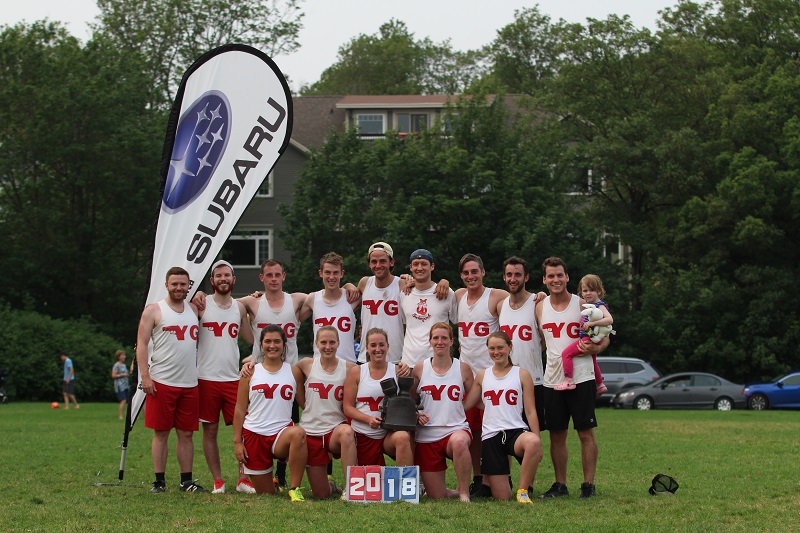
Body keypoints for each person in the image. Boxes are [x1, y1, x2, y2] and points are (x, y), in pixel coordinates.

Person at [536, 257, 609, 500]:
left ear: (567, 277)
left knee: (585, 432)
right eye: (550, 276)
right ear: (544, 280)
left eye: (560, 275)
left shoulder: (583, 303)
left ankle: (588, 484)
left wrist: (598, 348)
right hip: (553, 378)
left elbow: (604, 335)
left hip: (582, 376)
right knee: (556, 433)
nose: (555, 280)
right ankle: (560, 484)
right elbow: (541, 341)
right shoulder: (540, 306)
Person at [135, 266, 206, 493]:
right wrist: (145, 376)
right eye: (174, 284)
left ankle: (186, 481)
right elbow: (142, 345)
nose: (178, 288)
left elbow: (227, 306)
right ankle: (159, 481)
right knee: (161, 433)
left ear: (188, 287)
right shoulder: (154, 311)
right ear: (166, 285)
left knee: (186, 434)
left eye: (183, 284)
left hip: (189, 383)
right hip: (161, 382)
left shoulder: (194, 309)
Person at [196, 260, 255, 494]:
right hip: (206, 378)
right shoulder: (200, 304)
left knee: (244, 429)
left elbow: (253, 339)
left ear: (233, 280)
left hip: (233, 378)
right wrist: (197, 293)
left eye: (227, 275)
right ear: (212, 281)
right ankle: (218, 480)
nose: (223, 279)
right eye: (218, 275)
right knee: (210, 431)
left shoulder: (239, 308)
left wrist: (254, 358)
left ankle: (243, 478)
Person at [463, 331, 542, 504]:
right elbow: (469, 404)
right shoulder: (483, 375)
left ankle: (523, 491)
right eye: (492, 348)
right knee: (503, 497)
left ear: (510, 348)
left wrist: (537, 437)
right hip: (491, 436)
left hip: (515, 431)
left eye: (500, 347)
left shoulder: (522, 374)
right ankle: (501, 483)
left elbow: (530, 411)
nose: (496, 352)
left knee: (533, 442)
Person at [454, 253, 509, 498]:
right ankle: (478, 478)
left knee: (498, 429)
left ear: (483, 272)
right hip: (468, 377)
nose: (470, 276)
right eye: (466, 273)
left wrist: (538, 296)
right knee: (474, 431)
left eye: (474, 271)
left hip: (492, 377)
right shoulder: (457, 296)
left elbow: (523, 301)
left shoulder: (496, 296)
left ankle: (499, 476)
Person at [233, 325, 308, 500]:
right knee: (266, 494)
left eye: (277, 341)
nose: (272, 346)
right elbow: (239, 408)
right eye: (267, 341)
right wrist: (237, 442)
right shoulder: (249, 371)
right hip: (254, 434)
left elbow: (304, 403)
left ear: (284, 345)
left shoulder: (294, 371)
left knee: (298, 433)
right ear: (261, 345)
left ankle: (294, 489)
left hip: (281, 433)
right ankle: (274, 483)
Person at [357, 242, 449, 364]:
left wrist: (444, 281)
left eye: (383, 261)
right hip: (366, 356)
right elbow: (346, 300)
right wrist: (348, 286)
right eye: (374, 261)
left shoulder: (402, 285)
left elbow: (424, 286)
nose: (378, 265)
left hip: (395, 358)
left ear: (391, 262)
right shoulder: (364, 283)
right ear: (369, 264)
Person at [294, 326, 357, 498]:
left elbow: (374, 373)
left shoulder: (350, 368)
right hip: (311, 431)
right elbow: (288, 374)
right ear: (316, 344)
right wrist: (303, 403)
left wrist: (399, 368)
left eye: (331, 342)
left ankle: (350, 487)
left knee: (347, 432)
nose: (327, 346)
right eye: (323, 342)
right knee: (321, 494)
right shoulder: (305, 364)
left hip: (334, 430)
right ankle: (330, 486)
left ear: (338, 343)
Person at [413, 323, 473, 502]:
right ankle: (450, 491)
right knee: (437, 496)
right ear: (430, 341)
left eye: (444, 338)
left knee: (460, 442)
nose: (440, 342)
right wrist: (416, 415)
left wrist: (460, 409)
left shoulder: (463, 368)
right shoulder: (419, 368)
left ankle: (464, 492)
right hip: (427, 435)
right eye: (436, 338)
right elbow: (408, 402)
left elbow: (477, 396)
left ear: (451, 341)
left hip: (455, 429)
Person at [343, 328, 414, 467]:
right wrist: (368, 419)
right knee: (371, 481)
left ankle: (406, 485)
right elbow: (347, 407)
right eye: (373, 345)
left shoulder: (398, 370)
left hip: (388, 432)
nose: (378, 349)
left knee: (404, 437)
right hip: (364, 433)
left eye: (381, 345)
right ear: (367, 348)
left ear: (388, 346)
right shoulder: (357, 372)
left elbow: (406, 402)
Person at [497, 257, 546, 428]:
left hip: (533, 379)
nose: (513, 279)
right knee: (505, 432)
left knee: (532, 433)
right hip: (506, 381)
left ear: (526, 277)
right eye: (509, 274)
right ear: (504, 277)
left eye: (518, 274)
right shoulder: (500, 306)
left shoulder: (537, 303)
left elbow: (545, 340)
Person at [399, 249, 457, 369]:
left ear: (432, 266)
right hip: (408, 363)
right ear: (410, 267)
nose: (419, 268)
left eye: (424, 264)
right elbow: (405, 325)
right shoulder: (404, 293)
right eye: (416, 264)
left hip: (437, 363)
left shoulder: (445, 293)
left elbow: (457, 322)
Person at [555, 274, 612, 394]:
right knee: (593, 361)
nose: (588, 293)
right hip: (590, 336)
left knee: (566, 354)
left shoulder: (599, 305)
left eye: (592, 290)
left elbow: (609, 320)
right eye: (585, 290)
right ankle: (600, 384)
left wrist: (592, 323)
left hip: (588, 337)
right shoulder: (590, 305)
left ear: (599, 291)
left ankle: (568, 380)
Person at [300, 252, 361, 363]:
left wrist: (349, 285)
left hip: (348, 365)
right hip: (320, 366)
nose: (331, 277)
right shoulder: (313, 299)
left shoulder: (352, 298)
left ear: (342, 273)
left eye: (335, 273)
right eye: (327, 272)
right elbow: (292, 319)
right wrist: (258, 297)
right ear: (320, 273)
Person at [111, 350, 129, 419]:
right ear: (119, 356)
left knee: (128, 400)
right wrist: (122, 375)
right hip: (119, 385)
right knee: (123, 400)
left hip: (125, 385)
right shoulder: (116, 365)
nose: (124, 357)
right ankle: (120, 416)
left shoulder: (124, 365)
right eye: (123, 355)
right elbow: (113, 375)